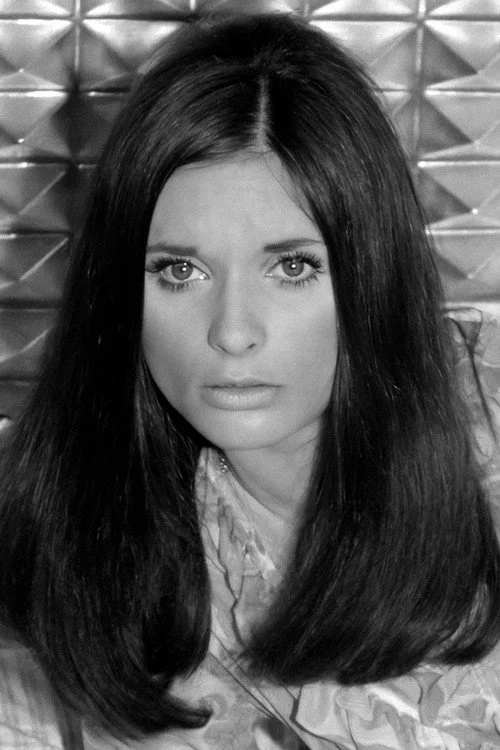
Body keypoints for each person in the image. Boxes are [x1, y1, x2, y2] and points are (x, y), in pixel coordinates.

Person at [0, 12, 499, 750]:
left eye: (292, 266)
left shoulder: (487, 414)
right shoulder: (91, 553)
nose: (232, 332)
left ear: (372, 274)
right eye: (180, 270)